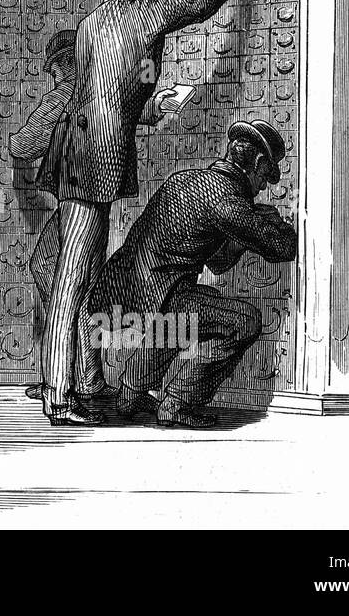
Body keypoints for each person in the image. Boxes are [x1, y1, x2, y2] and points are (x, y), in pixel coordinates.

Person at [36, 0, 256, 426]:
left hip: (78, 147)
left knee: (81, 274)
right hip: (95, 155)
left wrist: (154, 108)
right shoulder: (145, 14)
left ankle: (82, 385)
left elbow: (110, 91)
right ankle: (60, 394)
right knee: (75, 275)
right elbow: (200, 0)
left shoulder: (96, 20)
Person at [89, 120, 298, 428]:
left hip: (125, 291)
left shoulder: (186, 180)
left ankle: (131, 393)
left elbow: (217, 263)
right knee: (244, 320)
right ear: (255, 163)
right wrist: (274, 223)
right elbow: (283, 247)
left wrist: (245, 230)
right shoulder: (227, 199)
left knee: (187, 311)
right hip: (159, 297)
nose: (263, 187)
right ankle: (178, 401)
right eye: (264, 177)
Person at [7, 28, 76, 396]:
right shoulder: (104, 92)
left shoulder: (63, 96)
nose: (53, 76)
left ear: (66, 65)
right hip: (95, 201)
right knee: (53, 270)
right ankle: (61, 373)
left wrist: (9, 140)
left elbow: (23, 145)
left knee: (53, 273)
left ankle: (65, 375)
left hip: (74, 203)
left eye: (54, 69)